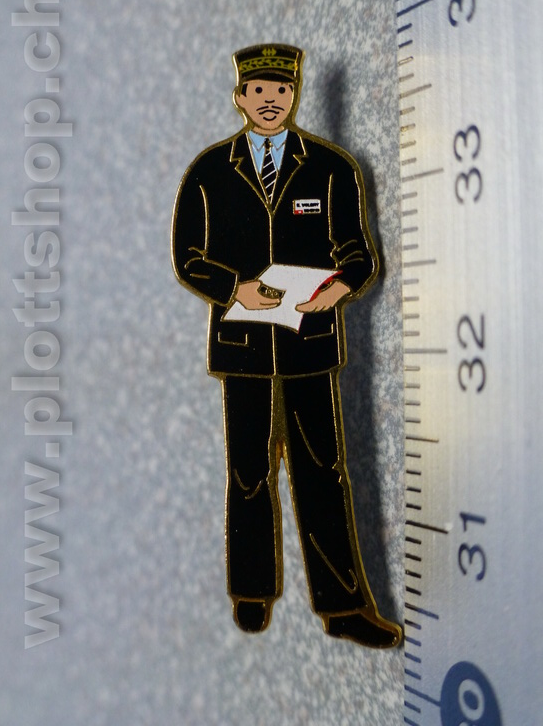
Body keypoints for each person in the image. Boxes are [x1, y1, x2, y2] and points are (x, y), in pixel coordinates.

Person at [171, 43, 401, 647]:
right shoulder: (209, 172)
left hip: (309, 344)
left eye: (281, 90)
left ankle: (343, 606)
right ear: (240, 97)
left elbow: (358, 253)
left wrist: (340, 288)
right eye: (259, 91)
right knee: (248, 470)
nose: (271, 101)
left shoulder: (330, 167)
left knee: (322, 470)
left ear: (293, 95)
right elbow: (188, 257)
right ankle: (251, 592)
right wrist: (234, 287)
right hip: (243, 344)